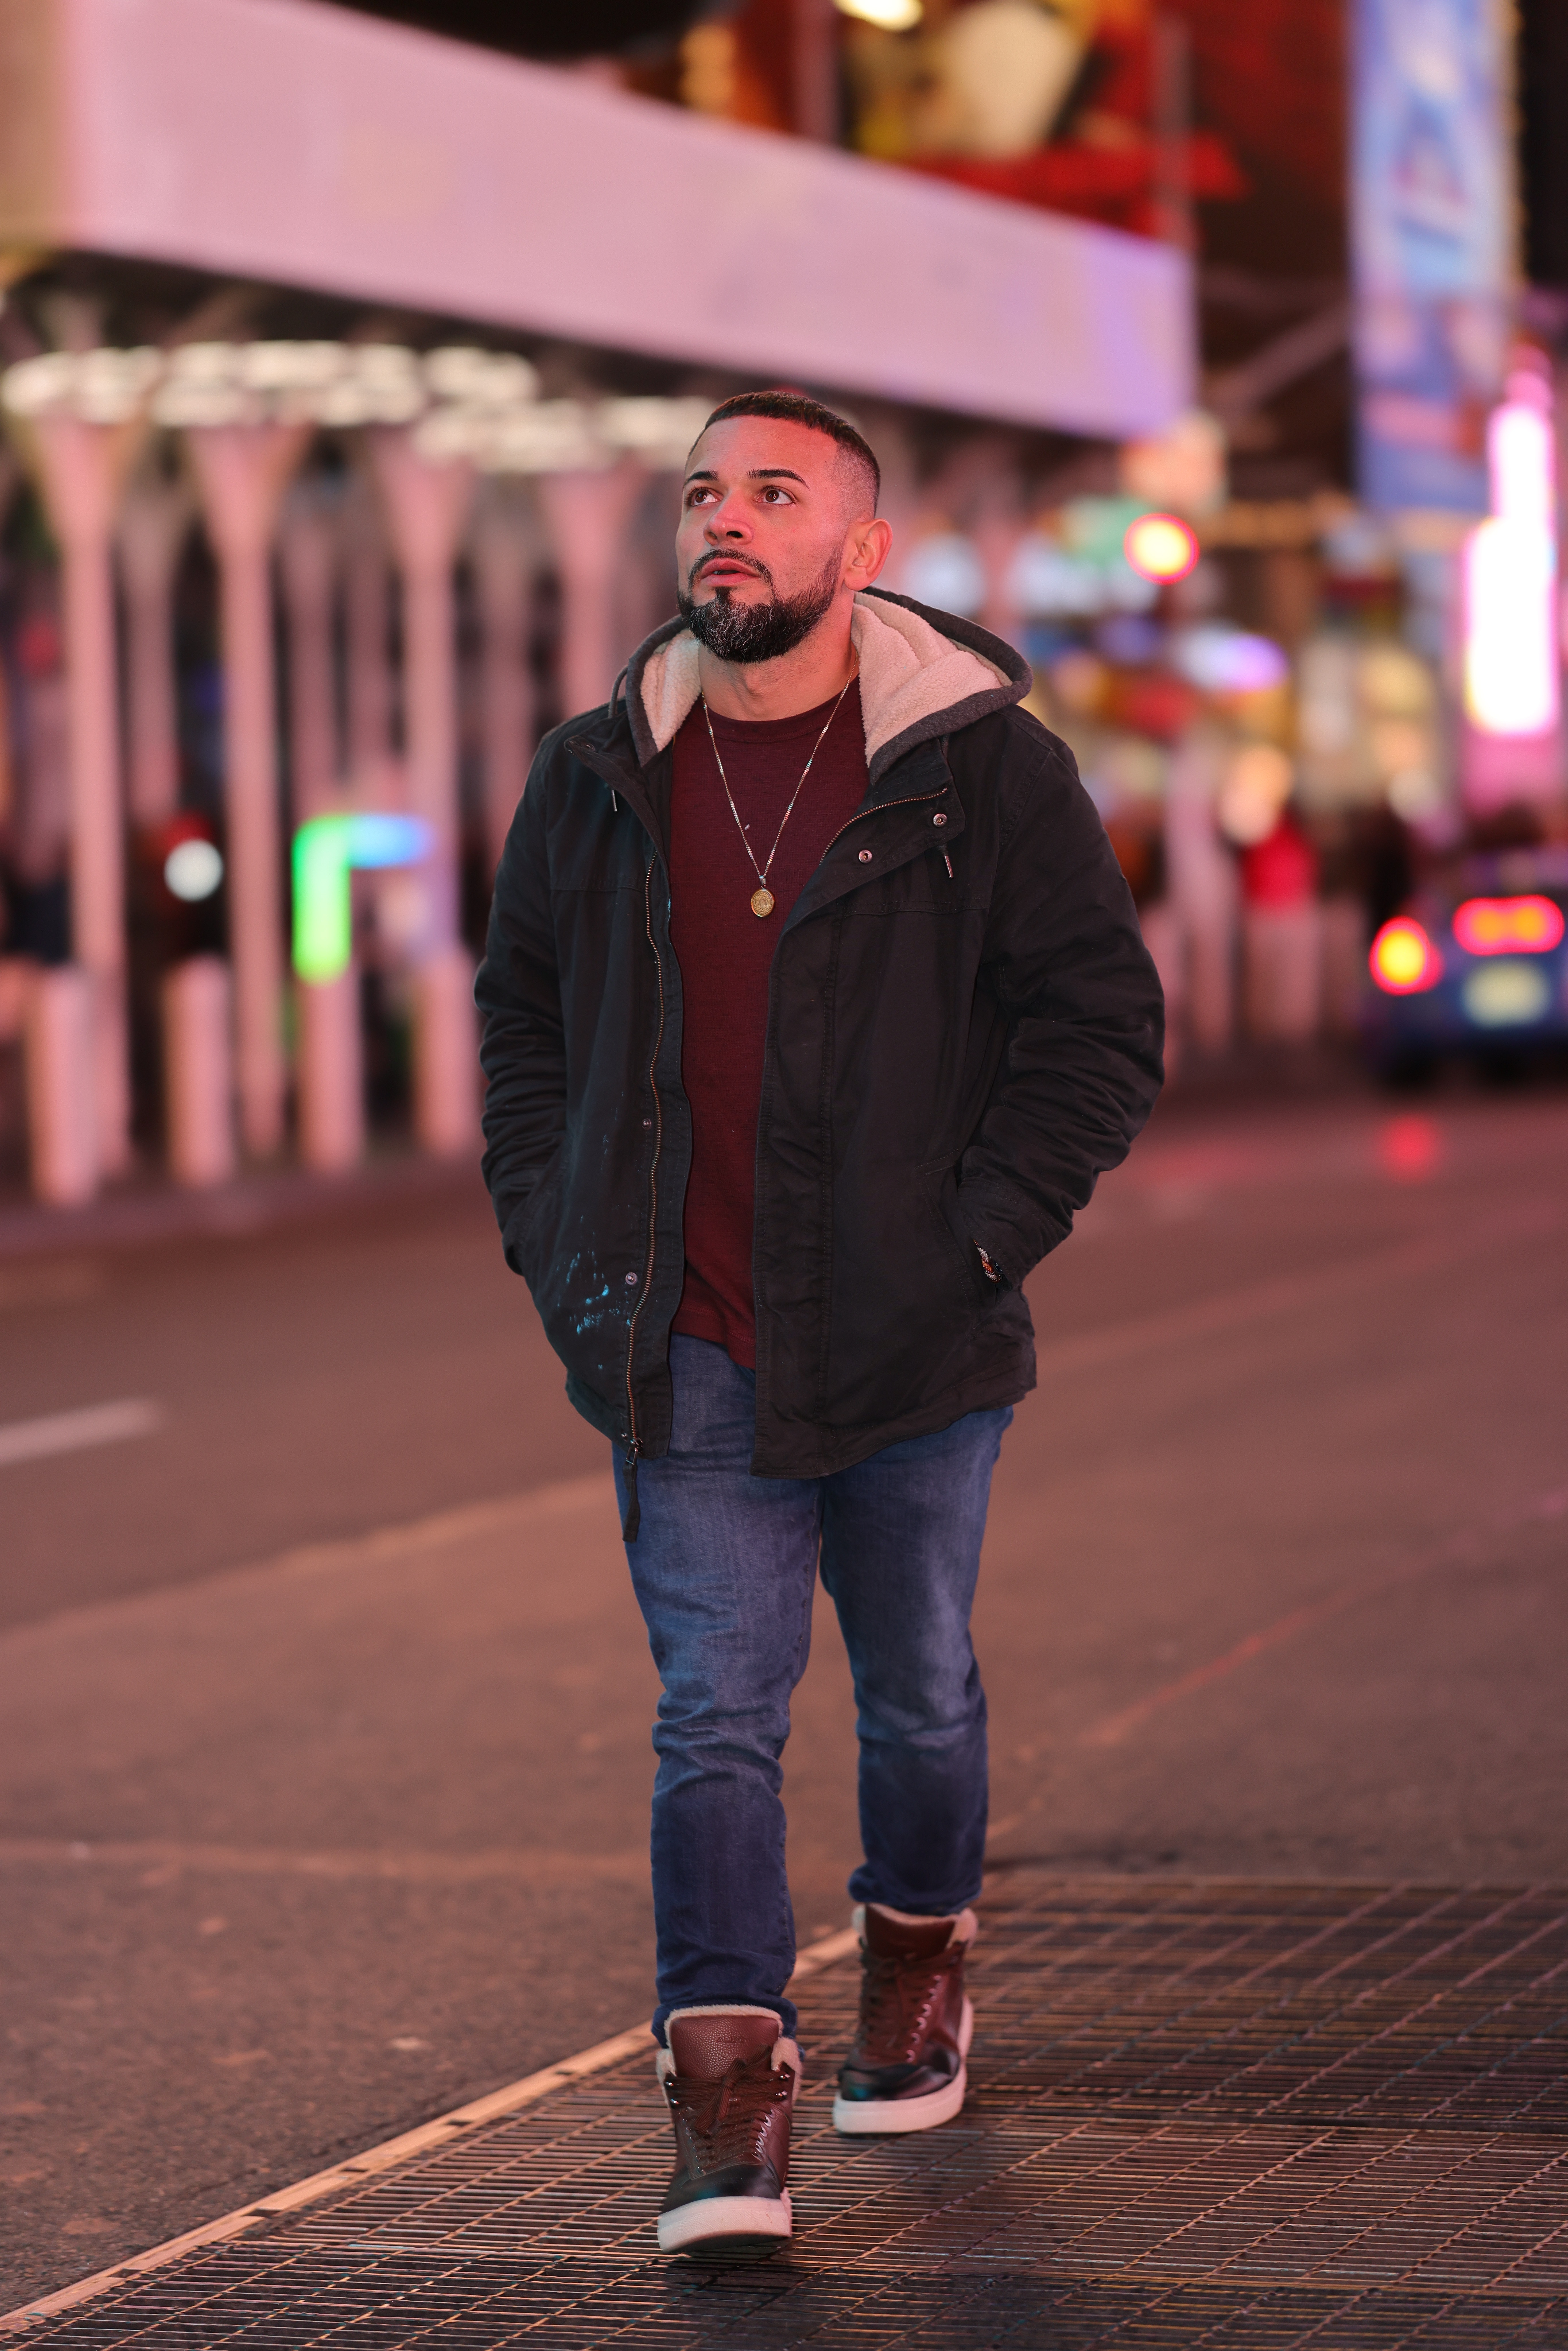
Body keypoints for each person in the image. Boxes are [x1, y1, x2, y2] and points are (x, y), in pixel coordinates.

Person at [476, 391, 1163, 2259]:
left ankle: (922, 1947)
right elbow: (523, 1024)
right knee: (713, 1716)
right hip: (682, 1334)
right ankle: (725, 2084)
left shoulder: (978, 766)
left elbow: (1095, 1027)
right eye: (705, 493)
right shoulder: (598, 769)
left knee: (919, 1686)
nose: (728, 522)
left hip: (915, 1333)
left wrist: (979, 1240)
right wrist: (557, 1239)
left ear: (861, 552)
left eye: (775, 495)